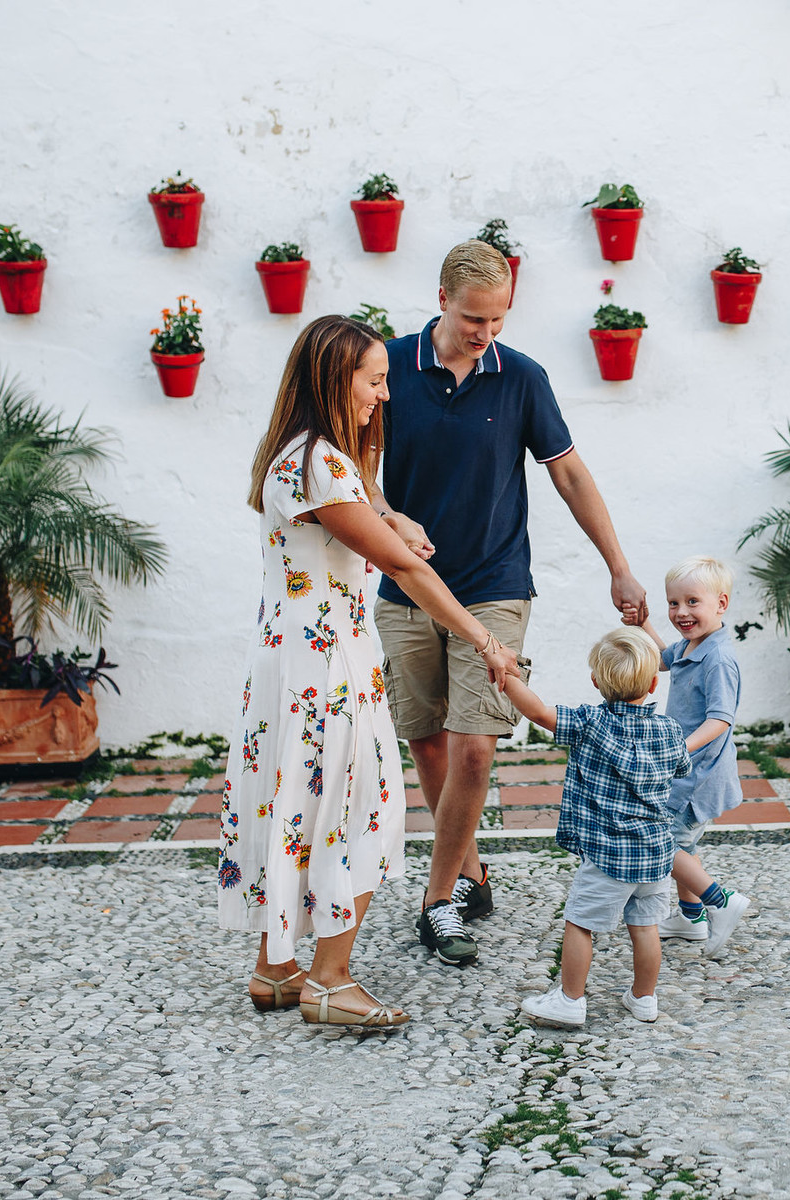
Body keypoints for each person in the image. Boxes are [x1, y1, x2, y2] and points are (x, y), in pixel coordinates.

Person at [221, 315, 520, 1027]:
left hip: (290, 658)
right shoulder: (323, 461)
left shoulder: (297, 453)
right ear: (334, 381)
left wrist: (392, 516)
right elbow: (398, 565)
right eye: (375, 382)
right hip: (326, 665)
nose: (384, 396)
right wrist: (480, 634)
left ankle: (276, 968)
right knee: (368, 811)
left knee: (294, 804)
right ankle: (330, 980)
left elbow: (368, 513)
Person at [371, 240, 647, 968]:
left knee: (474, 748)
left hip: (495, 585)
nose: (484, 334)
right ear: (441, 297)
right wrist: (390, 515)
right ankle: (471, 872)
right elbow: (350, 465)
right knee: (427, 739)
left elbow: (571, 476)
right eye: (472, 318)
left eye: (497, 320)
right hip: (404, 585)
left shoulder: (522, 378)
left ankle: (436, 903)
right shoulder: (390, 366)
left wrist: (618, 567)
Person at [502, 629, 691, 1028]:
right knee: (645, 926)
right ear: (655, 682)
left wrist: (509, 678)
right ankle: (644, 998)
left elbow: (538, 713)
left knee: (580, 923)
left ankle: (570, 1001)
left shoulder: (590, 724)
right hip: (656, 853)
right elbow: (681, 769)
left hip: (609, 855)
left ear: (595, 682)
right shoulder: (671, 732)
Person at [627, 556, 751, 956]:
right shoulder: (693, 645)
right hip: (683, 772)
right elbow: (663, 659)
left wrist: (678, 748)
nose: (681, 612)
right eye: (674, 603)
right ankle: (689, 917)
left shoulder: (718, 659)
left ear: (721, 604)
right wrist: (642, 624)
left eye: (693, 602)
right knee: (686, 844)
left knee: (663, 842)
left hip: (698, 776)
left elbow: (720, 720)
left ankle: (721, 901)